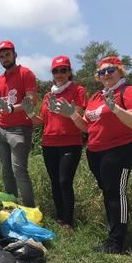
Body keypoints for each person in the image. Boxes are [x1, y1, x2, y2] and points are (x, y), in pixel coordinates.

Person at [59, 56, 132, 253]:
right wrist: (72, 114)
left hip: (120, 150)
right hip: (96, 152)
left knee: (116, 193)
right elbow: (87, 126)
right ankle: (113, 233)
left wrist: (115, 108)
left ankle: (117, 242)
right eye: (101, 72)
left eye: (110, 70)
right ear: (97, 76)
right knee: (108, 192)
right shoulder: (97, 97)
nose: (106, 74)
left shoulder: (129, 91)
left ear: (120, 71)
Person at [21, 56, 86, 228]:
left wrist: (68, 112)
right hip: (49, 144)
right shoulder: (49, 95)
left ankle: (68, 220)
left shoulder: (77, 90)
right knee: (55, 181)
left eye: (63, 70)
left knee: (65, 181)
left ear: (70, 72)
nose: (59, 74)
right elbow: (42, 120)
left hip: (70, 143)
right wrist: (29, 114)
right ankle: (60, 217)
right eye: (56, 71)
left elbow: (78, 115)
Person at [0, 40, 38, 207]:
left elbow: (31, 101)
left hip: (20, 129)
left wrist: (11, 109)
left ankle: (29, 208)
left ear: (15, 55)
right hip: (2, 130)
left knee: (19, 171)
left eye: (7, 55)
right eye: (1, 57)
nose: (5, 59)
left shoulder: (26, 74)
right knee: (6, 171)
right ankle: (12, 205)